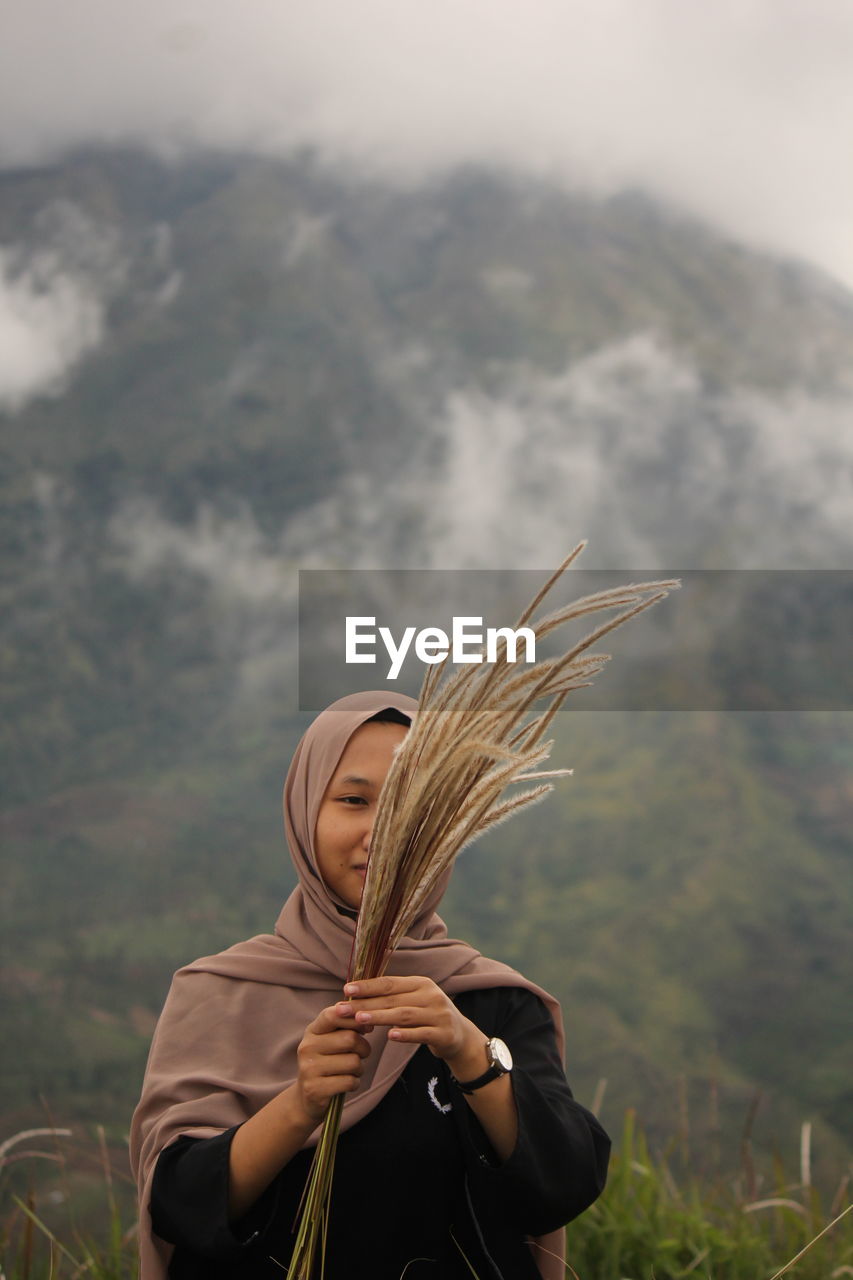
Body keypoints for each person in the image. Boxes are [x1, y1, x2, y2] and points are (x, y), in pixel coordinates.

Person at [130, 691, 610, 1280]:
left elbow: (564, 1184)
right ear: (307, 811)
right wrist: (300, 1104)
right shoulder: (222, 992)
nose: (383, 832)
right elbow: (178, 1205)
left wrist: (468, 1052)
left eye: (414, 807)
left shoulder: (488, 1002)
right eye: (354, 800)